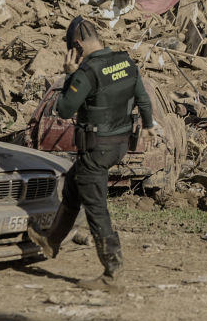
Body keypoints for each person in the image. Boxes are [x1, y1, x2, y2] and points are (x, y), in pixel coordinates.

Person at [28, 17, 156, 291]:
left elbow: (63, 110)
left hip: (96, 148)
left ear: (76, 46)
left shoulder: (87, 72)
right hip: (119, 145)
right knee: (74, 185)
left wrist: (69, 73)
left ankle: (112, 271)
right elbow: (143, 98)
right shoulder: (125, 61)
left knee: (96, 209)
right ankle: (51, 241)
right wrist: (149, 125)